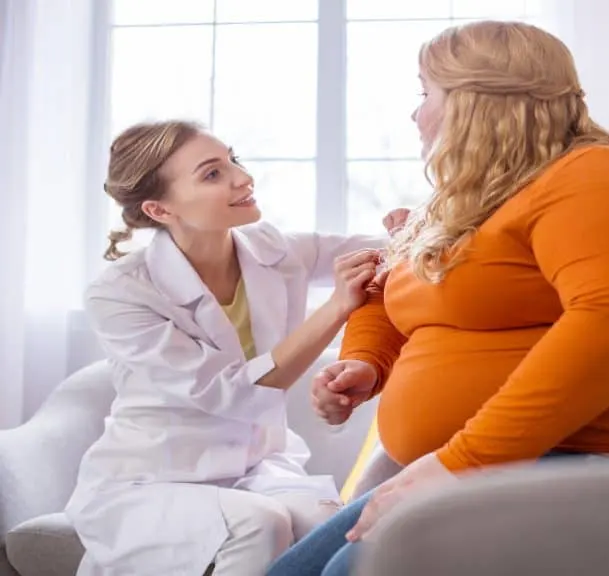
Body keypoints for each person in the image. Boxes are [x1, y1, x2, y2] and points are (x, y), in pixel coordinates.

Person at [268, 20, 609, 576]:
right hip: (509, 465)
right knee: (291, 572)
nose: (415, 113)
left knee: (355, 571)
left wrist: (462, 462)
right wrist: (367, 361)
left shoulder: (604, 177)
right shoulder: (465, 205)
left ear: (476, 102)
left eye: (425, 93)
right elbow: (390, 290)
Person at [64, 120, 401, 576]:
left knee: (336, 528)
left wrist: (414, 227)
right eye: (212, 174)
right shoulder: (121, 293)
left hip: (259, 466)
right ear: (160, 210)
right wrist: (338, 307)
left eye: (233, 161)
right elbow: (234, 391)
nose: (243, 178)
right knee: (257, 524)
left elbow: (386, 250)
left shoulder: (270, 249)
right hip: (154, 479)